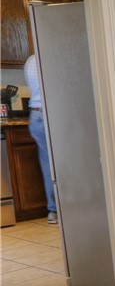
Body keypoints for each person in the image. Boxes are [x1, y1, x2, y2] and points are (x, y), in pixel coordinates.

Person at [23, 52, 57, 224]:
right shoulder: (52, 57)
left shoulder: (31, 61)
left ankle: (53, 211)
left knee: (47, 163)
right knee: (65, 160)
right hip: (52, 113)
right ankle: (72, 207)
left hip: (35, 116)